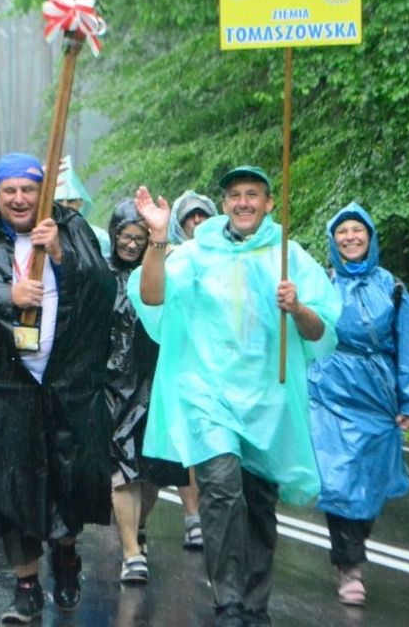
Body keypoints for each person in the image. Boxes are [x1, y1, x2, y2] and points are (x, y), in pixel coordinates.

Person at [129, 166, 341, 627]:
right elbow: (152, 296)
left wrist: (298, 307)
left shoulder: (288, 257)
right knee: (222, 489)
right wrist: (159, 238)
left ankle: (254, 603)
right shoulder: (199, 253)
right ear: (223, 203)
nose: (243, 202)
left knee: (259, 503)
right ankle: (227, 602)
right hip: (208, 397)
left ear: (268, 203)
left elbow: (321, 328)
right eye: (234, 195)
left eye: (253, 195)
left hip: (267, 400)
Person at [0, 152, 115, 624]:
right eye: (9, 190)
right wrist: (4, 296)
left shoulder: (69, 227)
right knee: (11, 486)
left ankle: (67, 555)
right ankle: (26, 584)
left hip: (64, 381)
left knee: (68, 478)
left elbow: (103, 290)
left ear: (43, 193)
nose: (18, 199)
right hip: (2, 386)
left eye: (28, 190)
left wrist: (61, 256)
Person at [308, 202, 409, 607]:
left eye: (357, 230)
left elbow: (408, 348)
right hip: (329, 390)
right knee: (338, 477)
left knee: (371, 479)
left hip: (377, 394)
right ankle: (350, 566)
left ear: (370, 237)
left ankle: (354, 549)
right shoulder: (321, 283)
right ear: (333, 240)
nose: (350, 237)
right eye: (342, 232)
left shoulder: (393, 287)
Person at [103, 198, 187, 585]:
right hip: (113, 385)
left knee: (152, 471)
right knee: (123, 469)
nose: (132, 244)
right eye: (125, 236)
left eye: (139, 237)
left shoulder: (166, 270)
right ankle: (130, 552)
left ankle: (137, 528)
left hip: (157, 379)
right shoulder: (100, 274)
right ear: (114, 235)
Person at [164, 188, 218, 550]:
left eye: (202, 217)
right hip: (182, 360)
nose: (196, 223)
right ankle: (192, 514)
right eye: (189, 218)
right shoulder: (170, 258)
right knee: (187, 443)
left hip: (219, 363)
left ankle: (216, 514)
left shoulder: (227, 257)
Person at [55, 154, 111, 258]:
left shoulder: (99, 237)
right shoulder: (45, 235)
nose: (64, 206)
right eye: (59, 201)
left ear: (80, 202)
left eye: (71, 201)